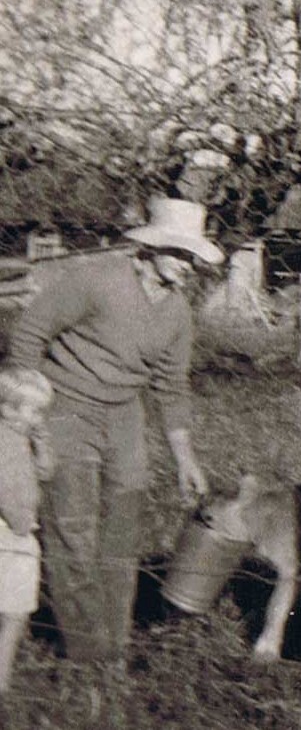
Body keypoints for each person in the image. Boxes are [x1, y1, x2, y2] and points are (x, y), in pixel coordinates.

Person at [5, 196, 224, 673]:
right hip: (64, 407)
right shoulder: (96, 280)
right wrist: (26, 404)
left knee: (123, 529)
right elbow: (29, 331)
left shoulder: (177, 314)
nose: (188, 267)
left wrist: (186, 460)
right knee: (72, 528)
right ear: (150, 249)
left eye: (194, 258)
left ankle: (115, 645)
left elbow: (171, 387)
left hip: (123, 413)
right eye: (180, 255)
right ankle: (90, 653)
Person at [0, 368, 55, 698]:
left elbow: (46, 472)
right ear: (7, 407)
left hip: (16, 532)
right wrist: (22, 523)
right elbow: (8, 490)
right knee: (14, 612)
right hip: (10, 532)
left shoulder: (23, 436)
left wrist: (42, 439)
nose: (38, 418)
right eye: (33, 411)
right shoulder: (4, 443)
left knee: (14, 613)